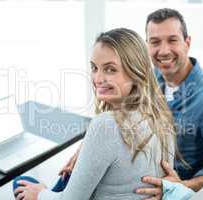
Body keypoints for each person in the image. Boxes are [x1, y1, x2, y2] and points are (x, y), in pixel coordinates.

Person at [13, 28, 177, 200]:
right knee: (67, 178)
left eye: (110, 69)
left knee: (21, 183)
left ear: (135, 73)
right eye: (94, 68)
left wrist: (40, 195)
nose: (97, 78)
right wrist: (87, 150)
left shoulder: (105, 124)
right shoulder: (161, 116)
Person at [134, 8, 203, 199]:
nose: (164, 51)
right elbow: (120, 113)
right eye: (155, 42)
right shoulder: (151, 78)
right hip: (143, 174)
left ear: (187, 43)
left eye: (172, 40)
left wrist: (180, 186)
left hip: (179, 185)